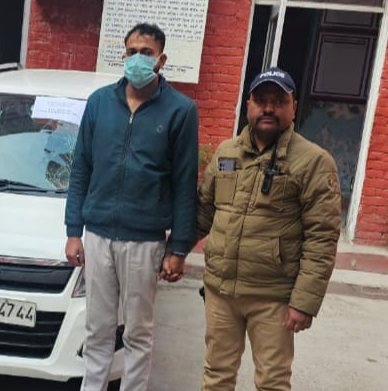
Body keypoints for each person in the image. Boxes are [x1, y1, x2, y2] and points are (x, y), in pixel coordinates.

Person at [64, 23, 199, 391]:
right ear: (123, 55)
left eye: (146, 53)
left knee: (138, 332)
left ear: (161, 60)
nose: (138, 58)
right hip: (97, 234)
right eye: (132, 51)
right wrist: (73, 231)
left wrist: (179, 248)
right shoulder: (99, 103)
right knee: (98, 329)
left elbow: (185, 183)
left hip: (145, 240)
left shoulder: (180, 110)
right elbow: (81, 169)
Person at [196, 67, 341, 391]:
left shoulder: (314, 162)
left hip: (273, 297)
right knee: (216, 376)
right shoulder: (226, 153)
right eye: (261, 100)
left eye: (279, 101)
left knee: (272, 382)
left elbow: (321, 238)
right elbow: (204, 211)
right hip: (221, 292)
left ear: (294, 107)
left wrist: (304, 302)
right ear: (248, 104)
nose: (268, 108)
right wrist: (174, 250)